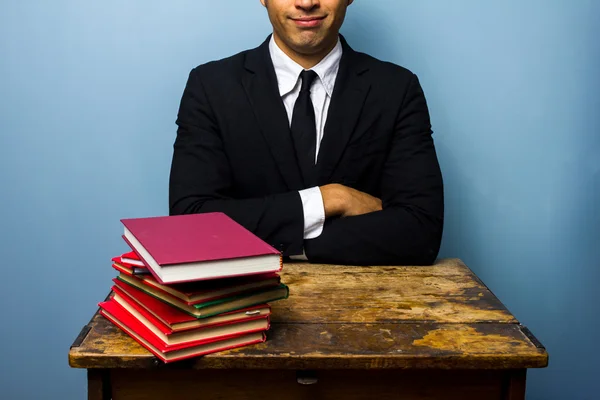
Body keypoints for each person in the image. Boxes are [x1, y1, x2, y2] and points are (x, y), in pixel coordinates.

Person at [169, 0, 444, 265]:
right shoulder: (210, 87)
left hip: (368, 304)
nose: (306, 2)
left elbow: (421, 232)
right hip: (243, 305)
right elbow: (191, 224)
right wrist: (331, 199)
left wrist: (282, 242)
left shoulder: (396, 89)